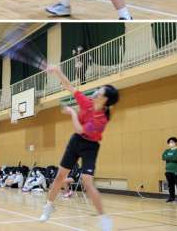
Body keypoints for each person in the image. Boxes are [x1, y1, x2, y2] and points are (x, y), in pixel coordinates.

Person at [39, 65, 119, 231]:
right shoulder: (87, 102)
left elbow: (80, 129)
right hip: (76, 142)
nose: (97, 91)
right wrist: (57, 71)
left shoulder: (101, 119)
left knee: (87, 182)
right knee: (59, 177)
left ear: (104, 99)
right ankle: (49, 206)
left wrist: (72, 113)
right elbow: (69, 86)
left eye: (100, 91)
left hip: (90, 146)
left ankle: (103, 218)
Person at [162, 137, 177, 203]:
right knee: (170, 185)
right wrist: (171, 157)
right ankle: (171, 197)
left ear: (176, 143)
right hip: (168, 171)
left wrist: (168, 158)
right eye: (169, 142)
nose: (170, 143)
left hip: (176, 171)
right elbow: (163, 157)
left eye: (172, 142)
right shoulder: (167, 150)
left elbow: (176, 158)